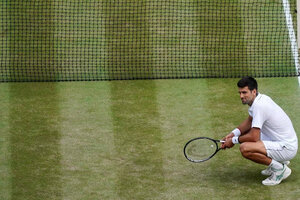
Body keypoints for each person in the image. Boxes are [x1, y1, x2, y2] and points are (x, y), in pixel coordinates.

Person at [222, 76, 298, 186]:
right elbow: (249, 121)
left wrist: (233, 141)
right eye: (239, 93)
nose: (241, 96)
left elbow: (254, 137)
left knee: (245, 148)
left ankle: (279, 169)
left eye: (244, 92)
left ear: (254, 91)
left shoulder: (259, 106)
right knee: (249, 139)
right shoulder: (260, 99)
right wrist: (233, 134)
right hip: (281, 141)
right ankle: (277, 162)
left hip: (286, 148)